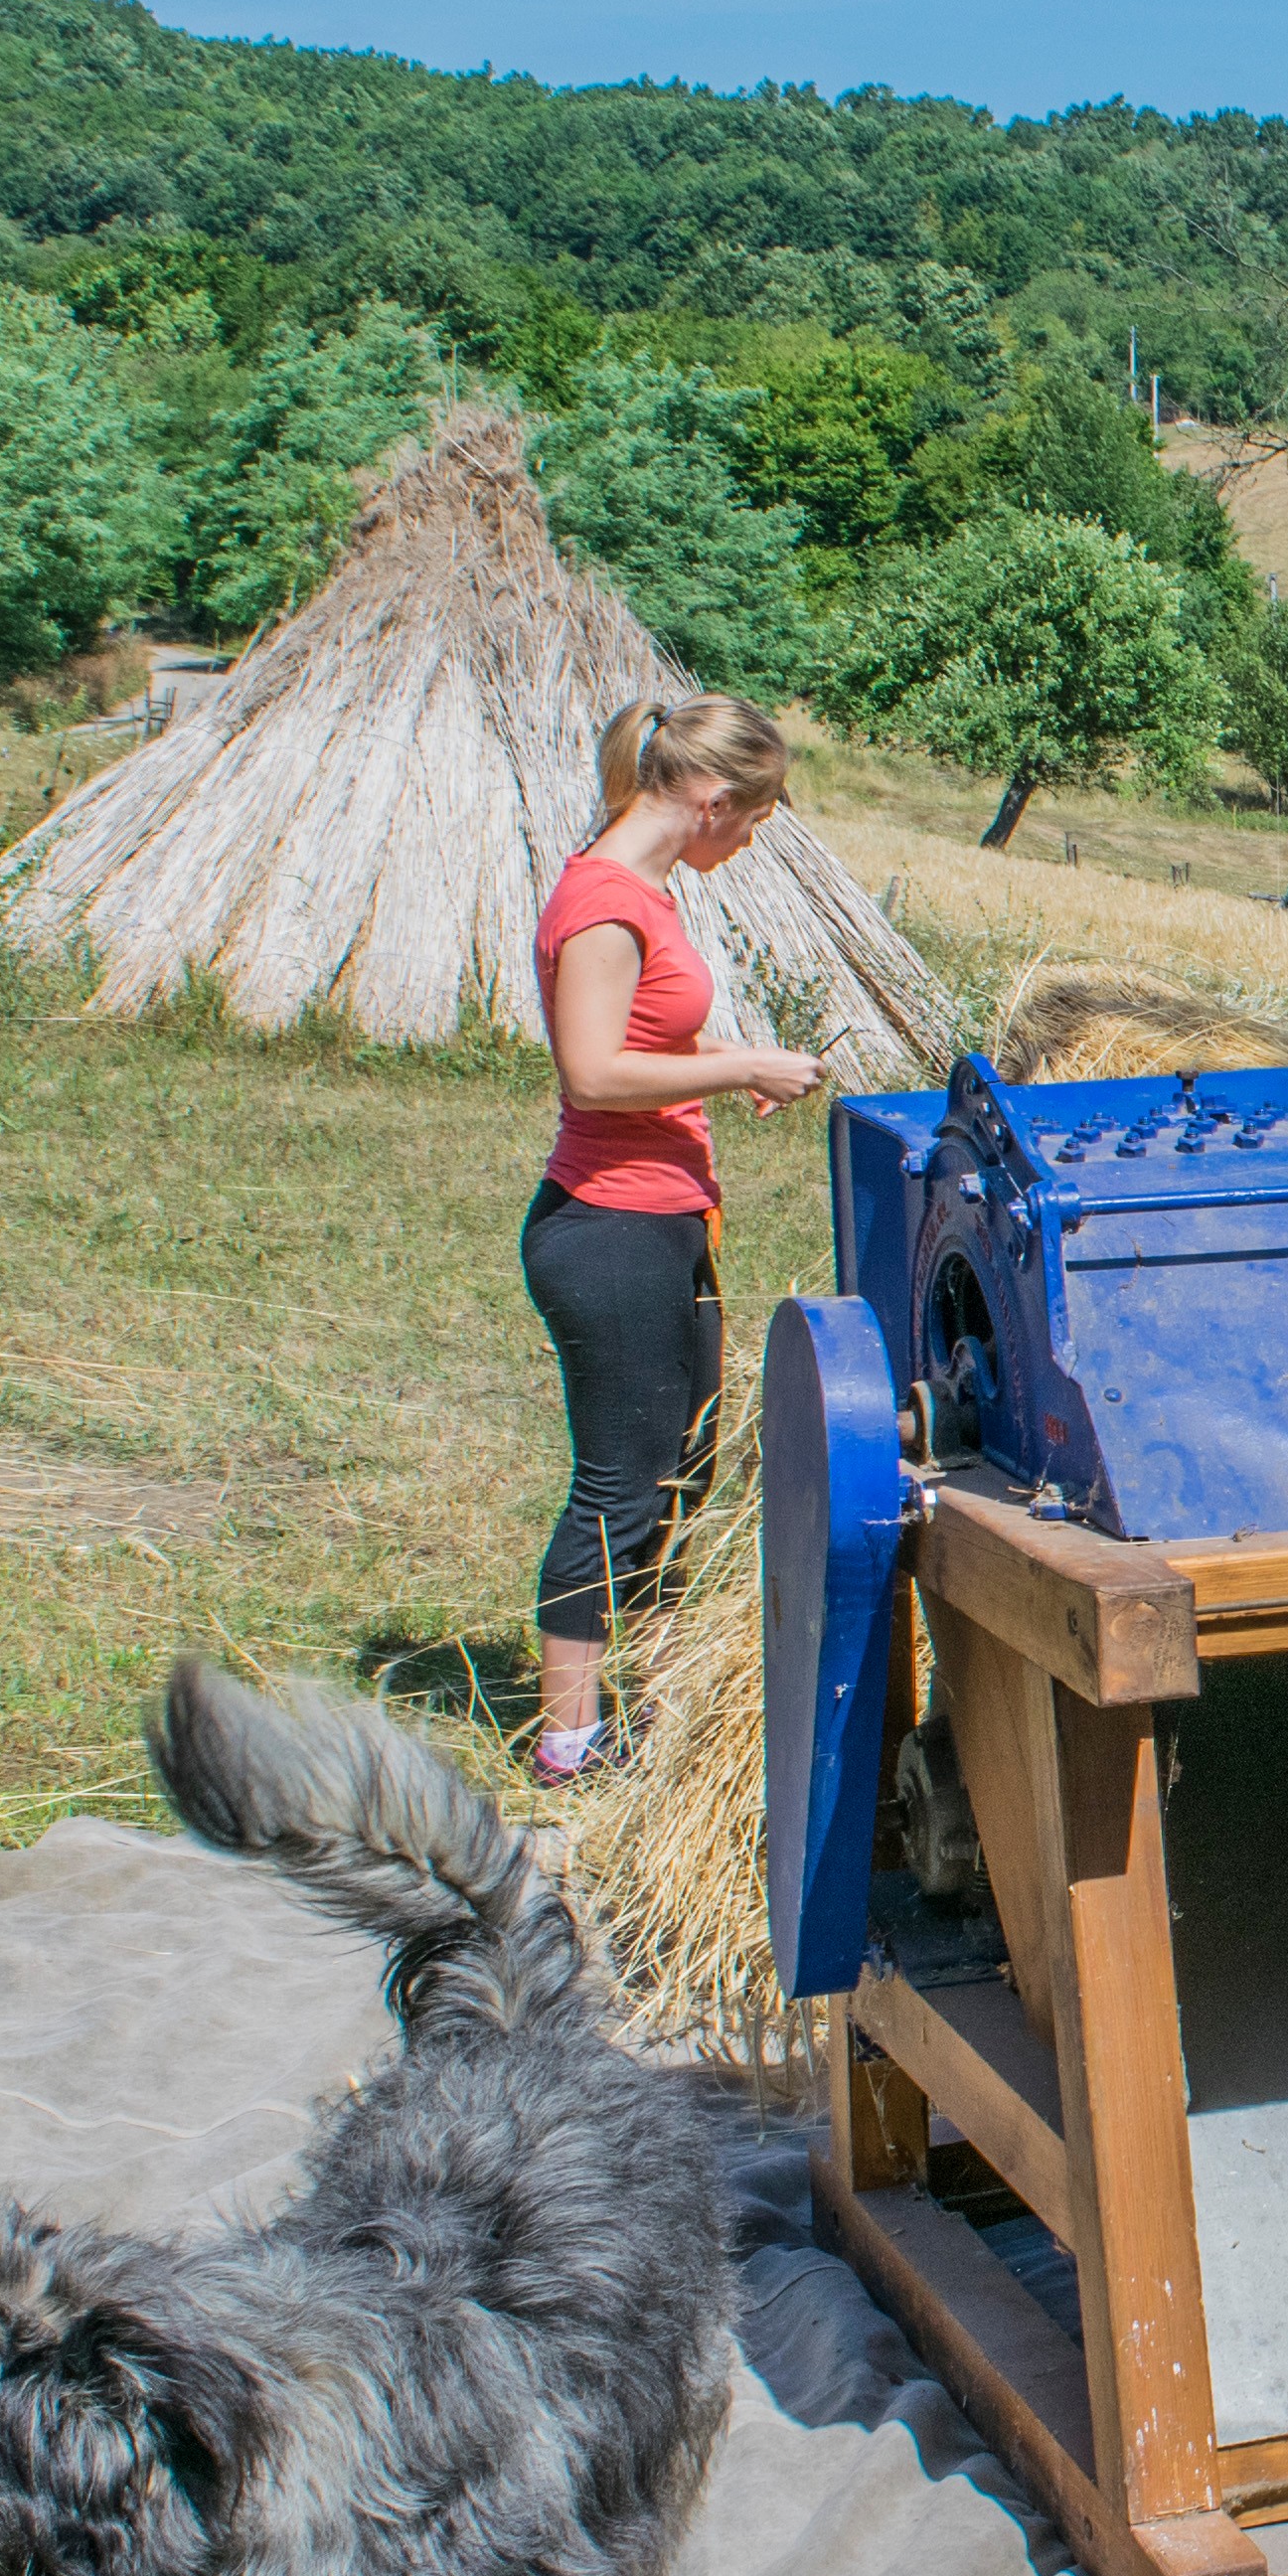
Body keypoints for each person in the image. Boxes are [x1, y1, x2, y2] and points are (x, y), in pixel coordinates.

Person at [525, 693, 825, 1784]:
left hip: (661, 1216)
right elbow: (592, 1071)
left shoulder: (642, 888)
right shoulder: (604, 901)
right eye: (751, 821)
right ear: (711, 800)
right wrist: (742, 1063)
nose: (747, 843)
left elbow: (647, 1050)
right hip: (607, 1227)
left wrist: (718, 1067)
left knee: (677, 1476)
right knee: (619, 1484)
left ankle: (641, 1707)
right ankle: (570, 1742)